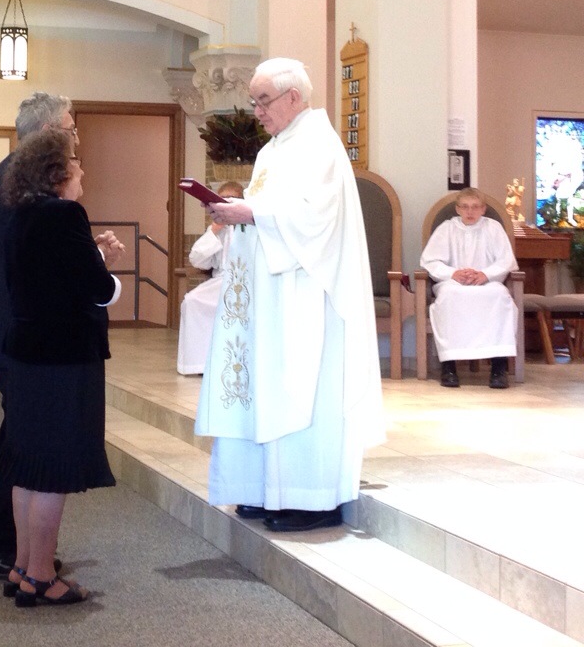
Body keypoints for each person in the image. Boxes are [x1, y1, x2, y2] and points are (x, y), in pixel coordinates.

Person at [195, 57, 385, 534]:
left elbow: (315, 218)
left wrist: (250, 213)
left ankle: (312, 499)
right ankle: (265, 490)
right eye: (254, 102)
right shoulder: (273, 149)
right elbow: (266, 208)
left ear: (293, 97)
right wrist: (236, 212)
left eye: (263, 101)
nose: (257, 111)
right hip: (271, 295)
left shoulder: (319, 145)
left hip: (307, 294)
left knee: (302, 387)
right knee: (269, 386)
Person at [0, 127, 125, 606]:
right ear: (57, 171)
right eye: (75, 160)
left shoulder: (21, 215)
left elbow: (52, 275)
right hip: (63, 359)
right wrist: (105, 263)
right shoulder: (66, 214)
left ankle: (21, 567)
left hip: (26, 354)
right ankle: (41, 576)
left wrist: (92, 253)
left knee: (27, 465)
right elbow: (99, 291)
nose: (82, 169)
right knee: (52, 469)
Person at [0, 91, 76, 579]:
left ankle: (14, 547)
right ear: (49, 132)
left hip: (11, 323)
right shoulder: (20, 182)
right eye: (71, 129)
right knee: (23, 437)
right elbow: (33, 259)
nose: (75, 139)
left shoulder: (13, 175)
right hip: (18, 326)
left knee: (20, 433)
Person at [420, 187, 518, 389]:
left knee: (500, 295)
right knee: (448, 296)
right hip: (453, 283)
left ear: (483, 209)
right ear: (457, 209)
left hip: (488, 283)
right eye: (465, 207)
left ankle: (498, 368)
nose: (470, 212)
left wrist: (485, 274)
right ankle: (449, 367)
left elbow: (505, 260)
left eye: (475, 207)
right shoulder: (447, 229)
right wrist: (453, 273)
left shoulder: (493, 228)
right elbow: (430, 260)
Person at [176, 181, 244, 375]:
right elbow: (197, 259)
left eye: (231, 199)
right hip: (220, 282)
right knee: (192, 301)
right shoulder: (218, 228)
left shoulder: (248, 226)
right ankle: (199, 363)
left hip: (243, 281)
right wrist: (214, 230)